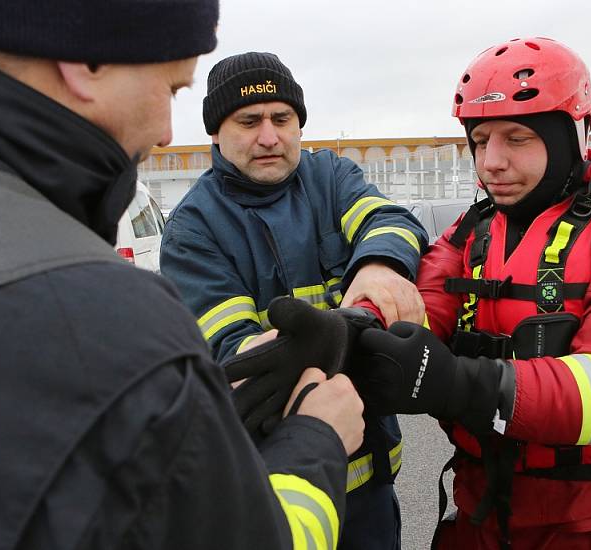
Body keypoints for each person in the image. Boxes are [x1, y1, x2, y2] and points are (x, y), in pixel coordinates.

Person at [0, 3, 366, 549]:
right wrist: (316, 439)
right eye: (170, 88)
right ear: (86, 60)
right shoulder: (116, 320)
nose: (166, 133)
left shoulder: (331, 176)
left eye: (282, 119)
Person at [350, 37, 591, 549]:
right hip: (482, 505)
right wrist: (354, 329)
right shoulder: (476, 229)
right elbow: (422, 307)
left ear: (569, 139)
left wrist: (459, 383)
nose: (490, 162)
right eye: (480, 140)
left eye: (516, 138)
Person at [160, 52, 428, 549]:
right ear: (215, 133)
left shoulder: (331, 176)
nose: (269, 136)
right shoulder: (192, 230)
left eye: (282, 118)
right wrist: (353, 328)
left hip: (369, 488)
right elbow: (239, 359)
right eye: (248, 121)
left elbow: (391, 220)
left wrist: (378, 266)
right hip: (276, 485)